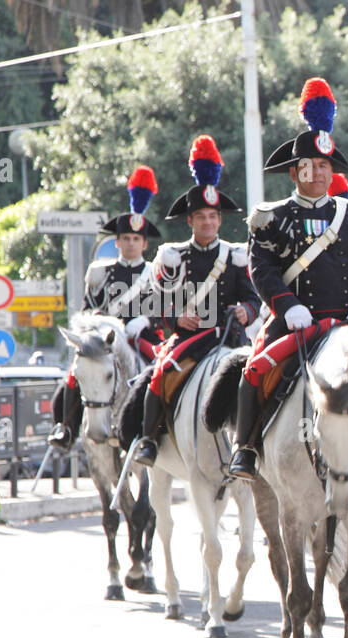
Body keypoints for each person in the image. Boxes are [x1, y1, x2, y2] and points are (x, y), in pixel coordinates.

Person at [228, 77, 348, 479]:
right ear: (295, 172)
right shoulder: (272, 217)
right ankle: (246, 449)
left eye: (325, 166)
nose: (319, 173)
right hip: (295, 322)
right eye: (311, 166)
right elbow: (262, 268)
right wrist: (287, 307)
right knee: (253, 372)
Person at [131, 135, 260, 467]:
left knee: (260, 378)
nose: (208, 222)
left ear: (220, 220)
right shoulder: (172, 256)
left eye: (213, 217)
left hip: (230, 337)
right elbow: (153, 302)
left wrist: (246, 311)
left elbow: (252, 298)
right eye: (201, 216)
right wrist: (174, 321)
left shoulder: (235, 256)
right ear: (190, 220)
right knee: (158, 375)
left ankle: (253, 446)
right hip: (190, 340)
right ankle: (147, 440)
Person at [48, 165, 163, 451]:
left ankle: (158, 429)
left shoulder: (157, 272)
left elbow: (164, 308)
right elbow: (88, 309)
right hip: (103, 340)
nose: (131, 243)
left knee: (162, 372)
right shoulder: (100, 272)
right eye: (126, 239)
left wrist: (145, 320)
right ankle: (66, 428)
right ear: (117, 242)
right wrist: (98, 320)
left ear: (144, 243)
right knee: (73, 377)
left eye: (136, 239)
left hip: (141, 337)